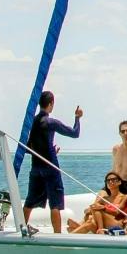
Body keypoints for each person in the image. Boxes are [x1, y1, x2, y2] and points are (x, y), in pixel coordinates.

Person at [23, 91, 83, 234]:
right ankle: (57, 235)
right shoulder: (50, 122)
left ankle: (22, 228)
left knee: (30, 201)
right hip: (50, 166)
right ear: (51, 104)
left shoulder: (32, 122)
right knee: (55, 204)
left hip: (36, 166)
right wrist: (77, 118)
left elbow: (27, 147)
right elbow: (75, 133)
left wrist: (47, 150)